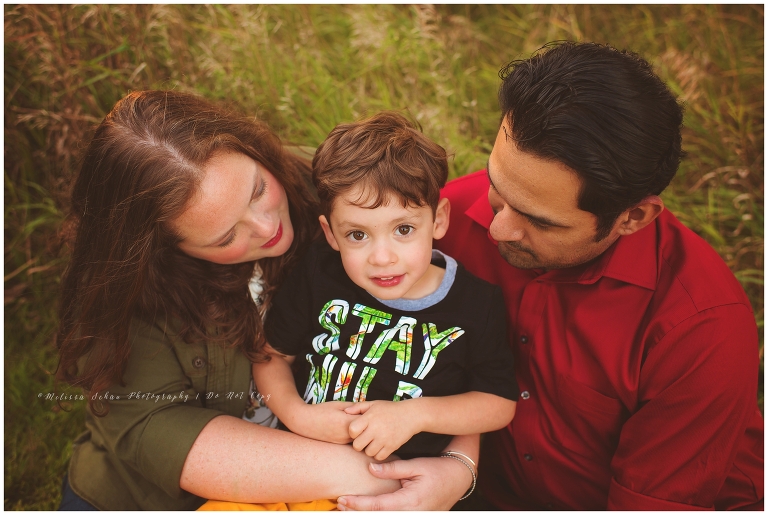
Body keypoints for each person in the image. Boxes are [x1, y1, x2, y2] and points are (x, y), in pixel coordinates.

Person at [54, 90, 479, 510]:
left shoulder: (343, 196)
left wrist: (458, 465)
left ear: (252, 149)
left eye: (257, 189)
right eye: (226, 236)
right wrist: (369, 476)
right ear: (164, 248)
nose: (266, 225)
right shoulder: (126, 292)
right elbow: (156, 429)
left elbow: (447, 332)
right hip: (158, 497)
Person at [435, 41, 764, 510]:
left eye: (540, 221)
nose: (495, 226)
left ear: (633, 217)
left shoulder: (701, 330)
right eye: (496, 186)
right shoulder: (440, 223)